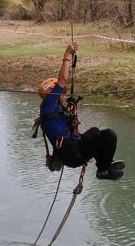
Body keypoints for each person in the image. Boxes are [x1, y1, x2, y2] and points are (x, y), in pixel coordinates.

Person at [38, 42, 124, 180]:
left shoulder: (57, 110)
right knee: (99, 134)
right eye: (62, 93)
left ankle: (104, 167)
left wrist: (71, 117)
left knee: (104, 134)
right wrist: (67, 54)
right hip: (71, 152)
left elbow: (66, 128)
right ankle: (104, 168)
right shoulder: (47, 105)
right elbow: (63, 79)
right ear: (52, 94)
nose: (64, 96)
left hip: (74, 149)